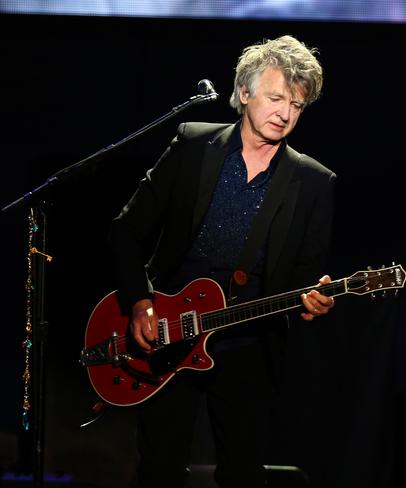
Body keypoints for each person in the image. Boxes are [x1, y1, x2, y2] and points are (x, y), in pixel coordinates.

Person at [107, 35, 336, 488]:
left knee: (243, 474)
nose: (285, 114)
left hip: (249, 348)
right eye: (275, 98)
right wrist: (139, 304)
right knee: (159, 468)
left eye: (297, 105)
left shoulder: (315, 182)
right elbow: (124, 232)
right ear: (245, 92)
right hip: (169, 337)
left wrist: (315, 301)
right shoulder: (192, 145)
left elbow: (306, 278)